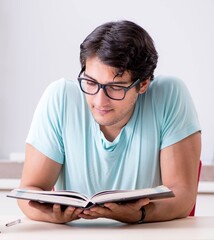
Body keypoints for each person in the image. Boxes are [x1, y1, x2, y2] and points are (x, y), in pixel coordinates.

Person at [18, 20, 201, 224]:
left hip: (145, 234)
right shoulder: (60, 97)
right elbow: (29, 191)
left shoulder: (169, 94)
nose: (99, 101)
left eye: (115, 87)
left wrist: (140, 214)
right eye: (90, 82)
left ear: (143, 84)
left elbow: (183, 196)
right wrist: (51, 215)